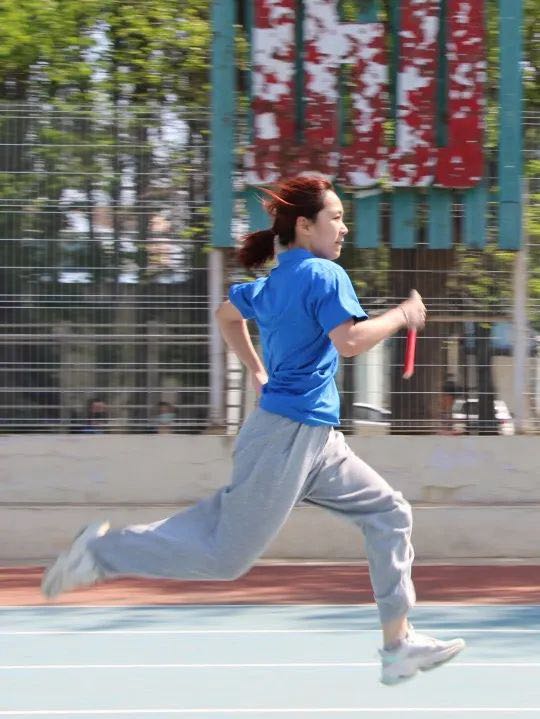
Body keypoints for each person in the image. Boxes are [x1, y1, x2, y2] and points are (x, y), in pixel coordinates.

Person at [41, 175, 464, 685]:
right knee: (225, 557)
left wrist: (258, 373)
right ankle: (99, 554)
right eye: (335, 218)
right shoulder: (324, 274)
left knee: (389, 512)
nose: (344, 228)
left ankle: (397, 646)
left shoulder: (275, 282)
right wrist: (402, 314)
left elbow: (226, 315)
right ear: (304, 226)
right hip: (287, 438)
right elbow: (350, 342)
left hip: (315, 439)